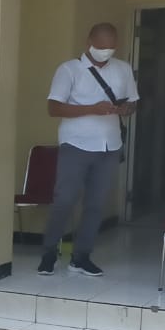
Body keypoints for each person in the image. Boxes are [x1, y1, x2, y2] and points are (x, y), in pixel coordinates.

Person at [39, 22, 138, 277]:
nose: (106, 51)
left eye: (111, 47)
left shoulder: (123, 69)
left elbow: (132, 102)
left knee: (95, 204)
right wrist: (92, 109)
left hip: (110, 145)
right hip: (76, 144)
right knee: (65, 199)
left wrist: (125, 109)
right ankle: (49, 252)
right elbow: (53, 108)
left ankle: (81, 257)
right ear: (89, 43)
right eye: (101, 47)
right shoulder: (69, 70)